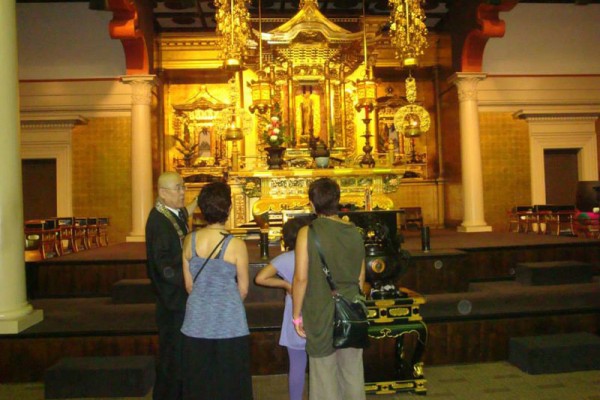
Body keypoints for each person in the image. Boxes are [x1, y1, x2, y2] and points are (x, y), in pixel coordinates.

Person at [292, 178, 367, 400]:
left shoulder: (307, 232)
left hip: (319, 310)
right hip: (351, 308)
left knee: (324, 373)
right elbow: (360, 277)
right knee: (352, 371)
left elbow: (301, 279)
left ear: (312, 204)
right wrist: (352, 302)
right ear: (337, 200)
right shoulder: (354, 232)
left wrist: (296, 315)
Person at [180, 181, 253, 400]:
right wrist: (225, 302)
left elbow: (189, 285)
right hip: (229, 322)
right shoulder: (236, 245)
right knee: (230, 382)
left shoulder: (189, 241)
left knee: (199, 380)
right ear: (228, 209)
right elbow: (244, 288)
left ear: (202, 209)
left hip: (196, 320)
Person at [145, 171, 198, 400]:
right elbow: (163, 265)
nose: (183, 192)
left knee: (179, 354)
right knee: (172, 355)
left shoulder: (170, 213)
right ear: (163, 192)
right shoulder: (158, 222)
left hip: (178, 297)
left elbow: (185, 213)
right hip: (172, 299)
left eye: (183, 186)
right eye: (178, 188)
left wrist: (200, 200)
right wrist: (187, 281)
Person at [254, 216, 314, 400]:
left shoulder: (286, 258)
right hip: (317, 311)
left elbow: (260, 278)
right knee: (320, 366)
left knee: (296, 364)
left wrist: (287, 285)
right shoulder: (317, 256)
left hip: (295, 314)